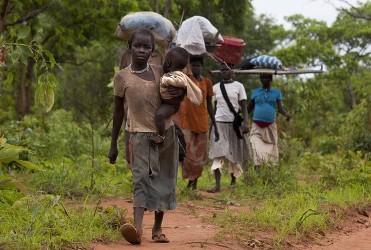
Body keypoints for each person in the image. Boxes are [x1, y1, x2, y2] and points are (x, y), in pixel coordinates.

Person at [108, 28, 185, 245]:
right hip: (140, 136)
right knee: (140, 178)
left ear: (152, 51)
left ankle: (158, 228)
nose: (142, 50)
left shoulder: (162, 72)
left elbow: (177, 93)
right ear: (130, 47)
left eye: (146, 47)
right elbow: (118, 112)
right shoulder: (122, 77)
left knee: (165, 179)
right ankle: (137, 229)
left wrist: (179, 94)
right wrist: (113, 144)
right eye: (137, 46)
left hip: (166, 134)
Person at [176, 56, 219, 190]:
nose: (196, 68)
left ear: (202, 67)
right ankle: (190, 178)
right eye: (193, 65)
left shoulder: (207, 83)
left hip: (202, 123)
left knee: (200, 155)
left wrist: (215, 125)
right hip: (187, 123)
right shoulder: (186, 80)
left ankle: (194, 182)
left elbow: (210, 105)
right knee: (188, 154)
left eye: (198, 65)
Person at [207, 63, 250, 193]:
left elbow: (243, 106)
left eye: (227, 69)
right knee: (218, 154)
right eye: (222, 70)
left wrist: (246, 123)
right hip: (219, 124)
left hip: (234, 125)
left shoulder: (239, 86)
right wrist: (212, 124)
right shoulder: (216, 87)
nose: (224, 72)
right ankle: (218, 185)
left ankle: (233, 181)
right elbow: (213, 108)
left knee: (233, 154)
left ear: (232, 71)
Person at [149, 47, 203, 145]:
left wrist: (180, 90)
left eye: (165, 60)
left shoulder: (177, 76)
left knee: (159, 116)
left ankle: (161, 136)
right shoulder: (166, 72)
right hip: (167, 103)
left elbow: (182, 83)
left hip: (171, 105)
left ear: (168, 62)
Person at [247, 74, 291, 168]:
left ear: (270, 79)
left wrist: (286, 114)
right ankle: (257, 171)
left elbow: (280, 108)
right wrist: (241, 117)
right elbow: (248, 109)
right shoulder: (255, 92)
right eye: (262, 78)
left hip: (270, 126)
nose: (264, 80)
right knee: (256, 148)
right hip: (256, 126)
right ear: (260, 79)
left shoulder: (276, 93)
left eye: (266, 78)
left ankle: (269, 173)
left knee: (271, 149)